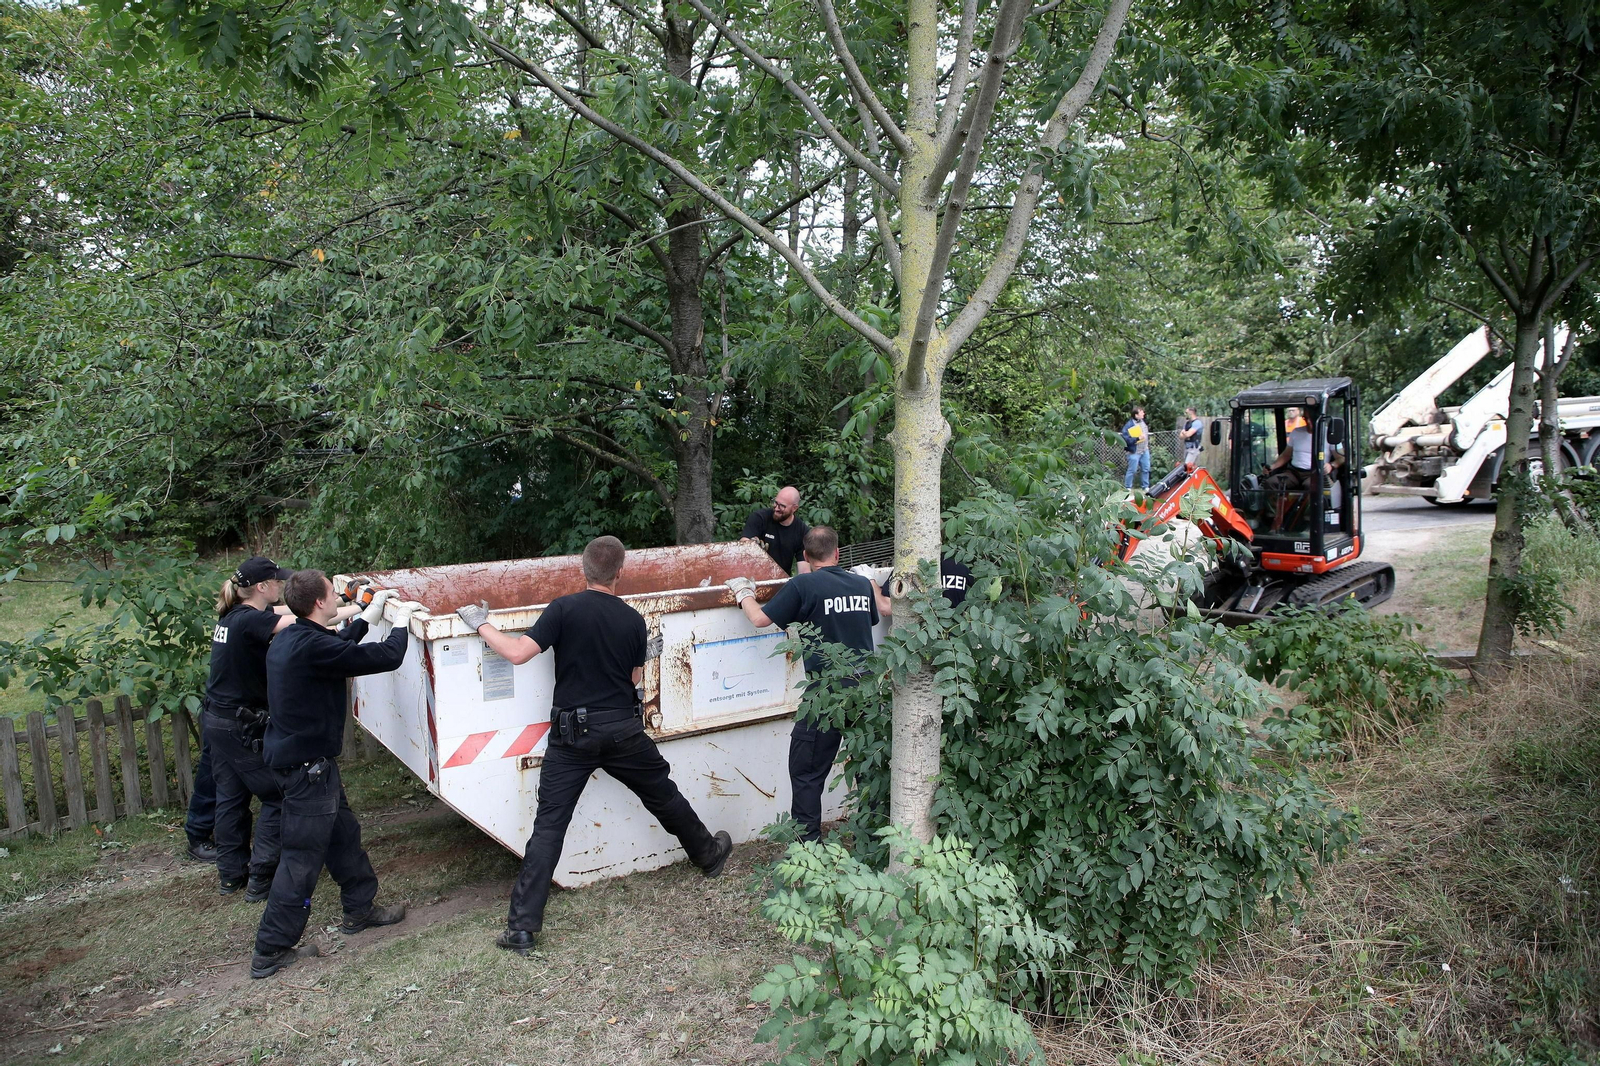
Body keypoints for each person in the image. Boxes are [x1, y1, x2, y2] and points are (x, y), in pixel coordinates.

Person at [455, 536, 734, 957]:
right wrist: (642, 655)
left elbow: (516, 653)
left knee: (549, 826)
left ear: (583, 569)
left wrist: (481, 622)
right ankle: (708, 855)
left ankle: (522, 929)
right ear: (620, 572)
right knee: (663, 795)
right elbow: (633, 680)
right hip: (623, 730)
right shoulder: (633, 620)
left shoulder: (563, 609)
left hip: (572, 736)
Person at [250, 570, 411, 979]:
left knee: (343, 836)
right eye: (330, 593)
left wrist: (367, 617)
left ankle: (360, 909)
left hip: (308, 765)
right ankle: (271, 949)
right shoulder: (310, 645)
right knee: (301, 859)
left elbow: (336, 646)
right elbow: (387, 657)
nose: (336, 597)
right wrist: (402, 623)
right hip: (307, 770)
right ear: (322, 603)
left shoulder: (291, 637)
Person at [728, 526, 888, 843]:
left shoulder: (803, 584)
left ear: (805, 555)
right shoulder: (861, 584)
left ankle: (808, 846)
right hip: (866, 689)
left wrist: (744, 594)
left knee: (806, 771)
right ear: (837, 553)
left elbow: (760, 619)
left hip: (826, 694)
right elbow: (870, 621)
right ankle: (874, 839)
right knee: (868, 766)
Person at [205, 556, 296, 898]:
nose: (281, 585)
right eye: (277, 581)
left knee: (231, 797)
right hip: (237, 725)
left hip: (217, 719)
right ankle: (261, 878)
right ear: (262, 587)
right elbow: (302, 619)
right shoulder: (248, 621)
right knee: (278, 795)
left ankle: (231, 876)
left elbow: (287, 611)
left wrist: (344, 603)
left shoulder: (234, 615)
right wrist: (359, 610)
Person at [1262, 409, 1331, 531]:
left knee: (1311, 486)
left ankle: (1308, 523)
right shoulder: (1297, 432)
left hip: (1315, 473)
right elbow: (1286, 455)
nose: (1309, 423)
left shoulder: (1328, 434)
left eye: (1312, 419)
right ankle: (1274, 519)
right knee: (1271, 483)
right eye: (1306, 419)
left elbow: (1341, 457)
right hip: (1294, 472)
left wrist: (1332, 465)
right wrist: (1272, 467)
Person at [740, 486, 811, 574]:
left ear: (794, 508)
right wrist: (752, 546)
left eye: (782, 506)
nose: (776, 508)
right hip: (752, 574)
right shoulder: (759, 518)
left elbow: (804, 570)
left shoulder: (802, 531)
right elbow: (743, 543)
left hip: (781, 578)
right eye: (776, 503)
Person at [877, 556, 973, 615]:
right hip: (958, 636)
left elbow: (886, 608)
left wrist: (871, 581)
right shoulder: (962, 570)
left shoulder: (906, 570)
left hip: (917, 638)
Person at [1121, 407, 1151, 490]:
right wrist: (1137, 438)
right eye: (1141, 412)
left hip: (1144, 450)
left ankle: (1145, 486)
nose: (1143, 414)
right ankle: (1128, 487)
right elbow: (1125, 439)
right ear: (1136, 415)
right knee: (1132, 470)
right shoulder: (1129, 425)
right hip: (1134, 451)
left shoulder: (1143, 422)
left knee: (1146, 469)